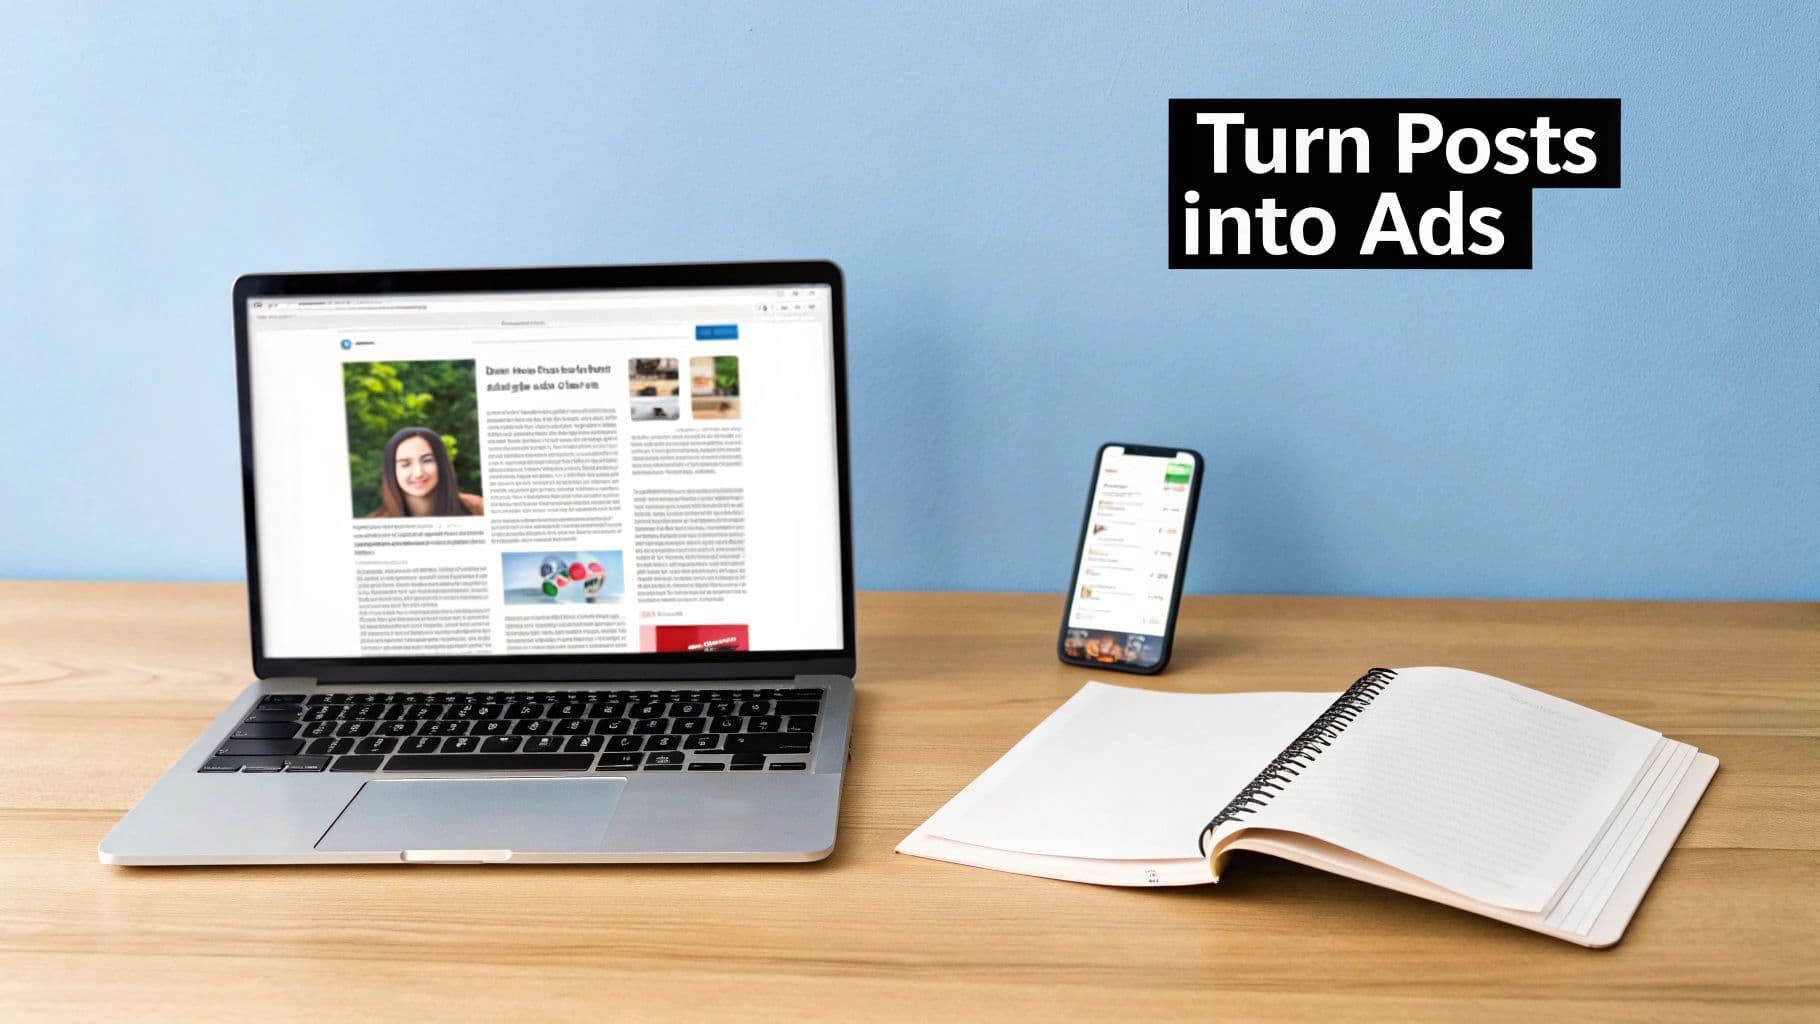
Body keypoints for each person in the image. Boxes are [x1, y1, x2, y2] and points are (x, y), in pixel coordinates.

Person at [366, 427, 484, 517]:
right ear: (392, 471)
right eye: (405, 464)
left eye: (427, 460)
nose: (418, 473)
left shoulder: (479, 509)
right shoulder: (374, 523)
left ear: (441, 464)